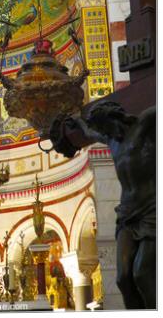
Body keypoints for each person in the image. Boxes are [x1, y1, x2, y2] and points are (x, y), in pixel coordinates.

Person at [49, 101, 156, 309]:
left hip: (151, 209)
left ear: (114, 119)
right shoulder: (109, 138)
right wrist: (71, 122)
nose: (101, 133)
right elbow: (87, 129)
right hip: (126, 214)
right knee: (123, 278)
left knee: (143, 273)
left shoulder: (142, 126)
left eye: (103, 127)